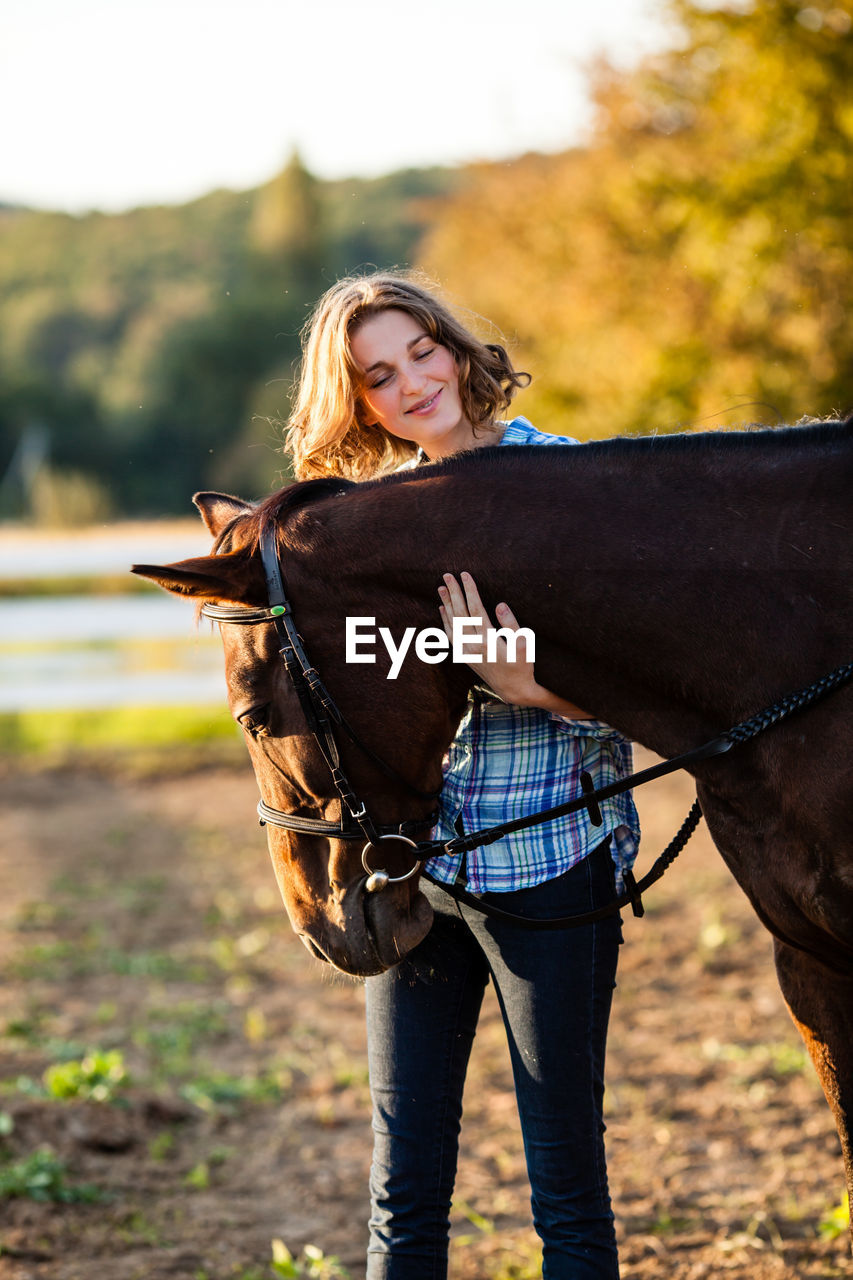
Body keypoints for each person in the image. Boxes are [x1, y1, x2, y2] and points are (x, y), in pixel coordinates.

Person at [285, 272, 640, 1279]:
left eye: (419, 352)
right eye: (376, 376)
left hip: (551, 859)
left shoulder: (570, 483)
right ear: (360, 402)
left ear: (453, 346)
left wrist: (534, 686)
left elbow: (666, 685)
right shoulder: (372, 522)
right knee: (404, 1187)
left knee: (565, 1180)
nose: (409, 384)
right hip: (416, 876)